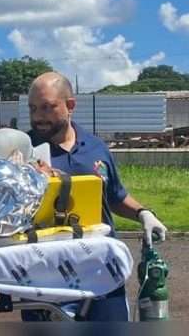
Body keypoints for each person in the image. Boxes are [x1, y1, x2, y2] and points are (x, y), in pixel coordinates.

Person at [24, 71, 168, 321]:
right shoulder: (23, 151)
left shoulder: (95, 147)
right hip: (45, 276)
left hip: (102, 271)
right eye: (33, 108)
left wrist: (142, 213)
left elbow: (114, 196)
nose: (38, 117)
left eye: (47, 107)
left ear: (70, 106)